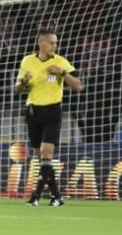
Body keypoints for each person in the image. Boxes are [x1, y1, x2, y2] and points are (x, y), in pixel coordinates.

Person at [13, 29, 84, 207]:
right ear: (41, 43)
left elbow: (78, 86)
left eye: (56, 43)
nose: (55, 46)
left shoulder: (61, 62)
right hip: (33, 111)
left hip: (52, 110)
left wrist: (62, 73)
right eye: (51, 42)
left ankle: (35, 196)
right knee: (41, 158)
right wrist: (24, 82)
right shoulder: (27, 61)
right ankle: (56, 196)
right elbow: (16, 90)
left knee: (46, 153)